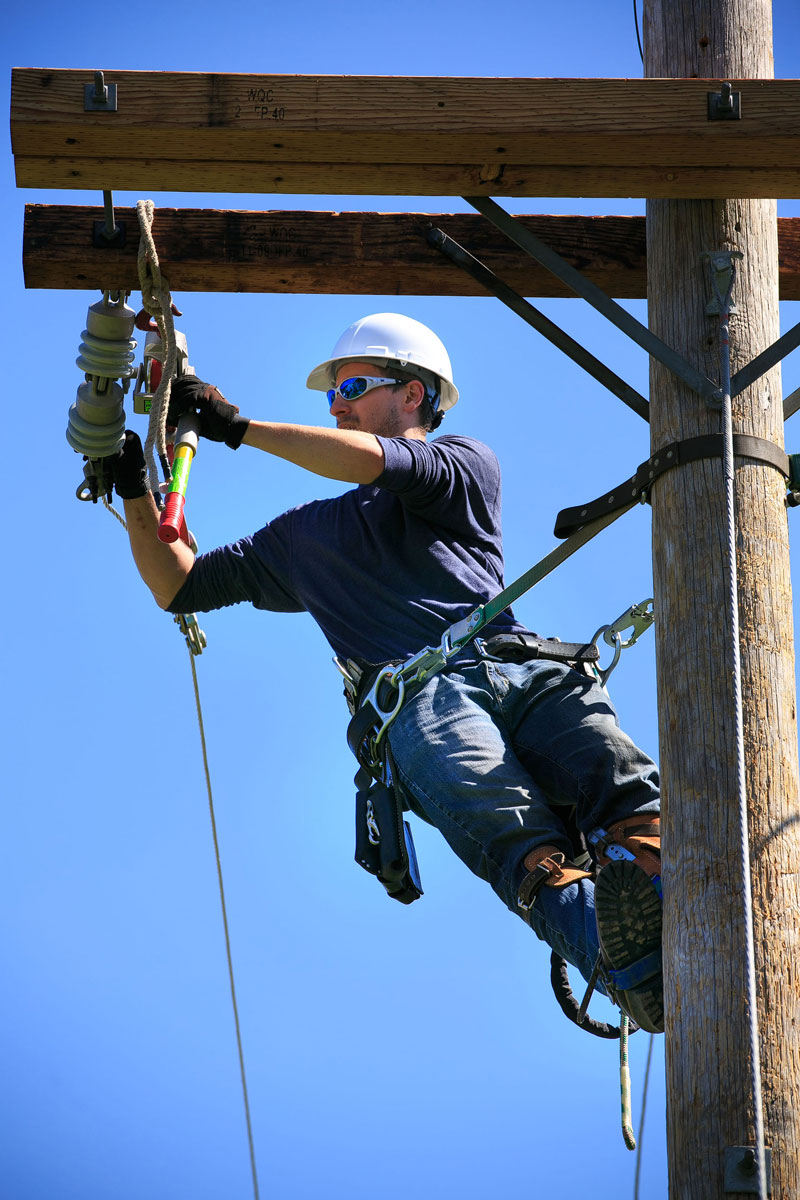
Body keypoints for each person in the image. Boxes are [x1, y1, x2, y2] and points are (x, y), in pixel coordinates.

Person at [107, 312, 664, 1034]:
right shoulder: (303, 538)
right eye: (333, 392)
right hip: (421, 700)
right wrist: (131, 489)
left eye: (353, 385)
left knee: (621, 786)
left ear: (414, 395)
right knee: (516, 839)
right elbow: (178, 585)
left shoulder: (464, 465)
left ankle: (673, 909)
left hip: (520, 669)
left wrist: (238, 429)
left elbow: (377, 462)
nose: (336, 404)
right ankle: (628, 965)